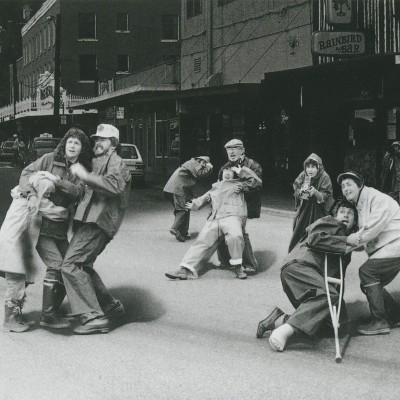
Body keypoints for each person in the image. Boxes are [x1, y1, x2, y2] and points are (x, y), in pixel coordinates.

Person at [256, 199, 357, 352]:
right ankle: (284, 331)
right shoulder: (330, 223)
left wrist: (339, 313)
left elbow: (338, 279)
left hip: (309, 275)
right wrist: (346, 240)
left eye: (351, 214)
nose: (346, 215)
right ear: (335, 215)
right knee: (328, 295)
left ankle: (278, 320)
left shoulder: (346, 246)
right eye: (342, 211)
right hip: (301, 266)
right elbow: (315, 238)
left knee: (333, 325)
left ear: (355, 221)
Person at [18, 127, 92, 330]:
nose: (72, 146)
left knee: (71, 268)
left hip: (61, 228)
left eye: (77, 143)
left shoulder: (80, 169)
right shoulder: (49, 159)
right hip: (41, 225)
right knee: (57, 266)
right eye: (70, 142)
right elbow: (25, 174)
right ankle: (48, 315)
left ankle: (53, 311)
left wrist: (56, 181)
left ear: (82, 148)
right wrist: (31, 195)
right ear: (64, 143)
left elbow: (78, 192)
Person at [60, 123, 131, 335]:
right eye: (96, 139)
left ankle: (93, 316)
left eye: (103, 139)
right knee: (84, 266)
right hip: (89, 222)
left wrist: (85, 175)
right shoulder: (98, 161)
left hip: (99, 223)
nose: (97, 142)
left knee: (71, 265)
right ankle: (111, 307)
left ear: (113, 144)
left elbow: (114, 187)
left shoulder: (117, 163)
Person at [165, 166, 262, 280]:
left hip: (232, 215)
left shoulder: (239, 184)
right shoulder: (215, 187)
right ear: (220, 174)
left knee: (235, 236)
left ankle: (237, 266)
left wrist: (241, 171)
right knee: (202, 241)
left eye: (230, 172)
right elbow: (205, 198)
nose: (227, 173)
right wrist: (195, 204)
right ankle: (185, 269)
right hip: (215, 218)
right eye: (224, 171)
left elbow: (256, 182)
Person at [0, 173, 69, 332]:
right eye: (47, 193)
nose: (49, 196)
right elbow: (56, 213)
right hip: (13, 246)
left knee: (20, 282)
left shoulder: (21, 197)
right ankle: (9, 320)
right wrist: (68, 210)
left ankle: (15, 315)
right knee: (16, 284)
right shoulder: (32, 202)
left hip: (15, 245)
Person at [339, 171, 400, 335]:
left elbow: (371, 230)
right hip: (389, 246)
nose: (345, 188)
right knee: (367, 282)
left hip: (396, 245)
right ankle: (394, 315)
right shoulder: (361, 204)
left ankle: (380, 322)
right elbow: (366, 239)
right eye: (343, 186)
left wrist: (347, 244)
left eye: (349, 184)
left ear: (360, 185)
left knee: (367, 272)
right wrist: (346, 246)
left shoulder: (376, 198)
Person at [217, 139, 262, 275]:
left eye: (235, 148)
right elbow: (220, 186)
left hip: (246, 204)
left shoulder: (253, 165)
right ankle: (226, 260)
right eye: (229, 149)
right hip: (228, 206)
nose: (232, 151)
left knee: (240, 231)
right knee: (224, 230)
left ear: (242, 150)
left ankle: (249, 264)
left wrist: (242, 186)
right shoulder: (225, 167)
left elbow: (258, 183)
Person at [289, 153, 334, 252]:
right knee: (299, 232)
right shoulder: (304, 175)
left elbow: (326, 196)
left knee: (316, 234)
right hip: (305, 209)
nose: (310, 170)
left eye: (313, 167)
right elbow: (296, 187)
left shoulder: (324, 177)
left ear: (318, 167)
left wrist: (315, 192)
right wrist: (300, 192)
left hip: (319, 211)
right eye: (308, 167)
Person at [163, 156, 213, 242]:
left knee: (185, 208)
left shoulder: (191, 163)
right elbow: (199, 174)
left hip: (176, 188)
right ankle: (175, 228)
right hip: (178, 188)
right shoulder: (194, 163)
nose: (204, 166)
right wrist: (209, 167)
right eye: (204, 164)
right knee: (183, 209)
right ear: (201, 161)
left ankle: (183, 233)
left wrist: (208, 168)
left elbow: (202, 175)